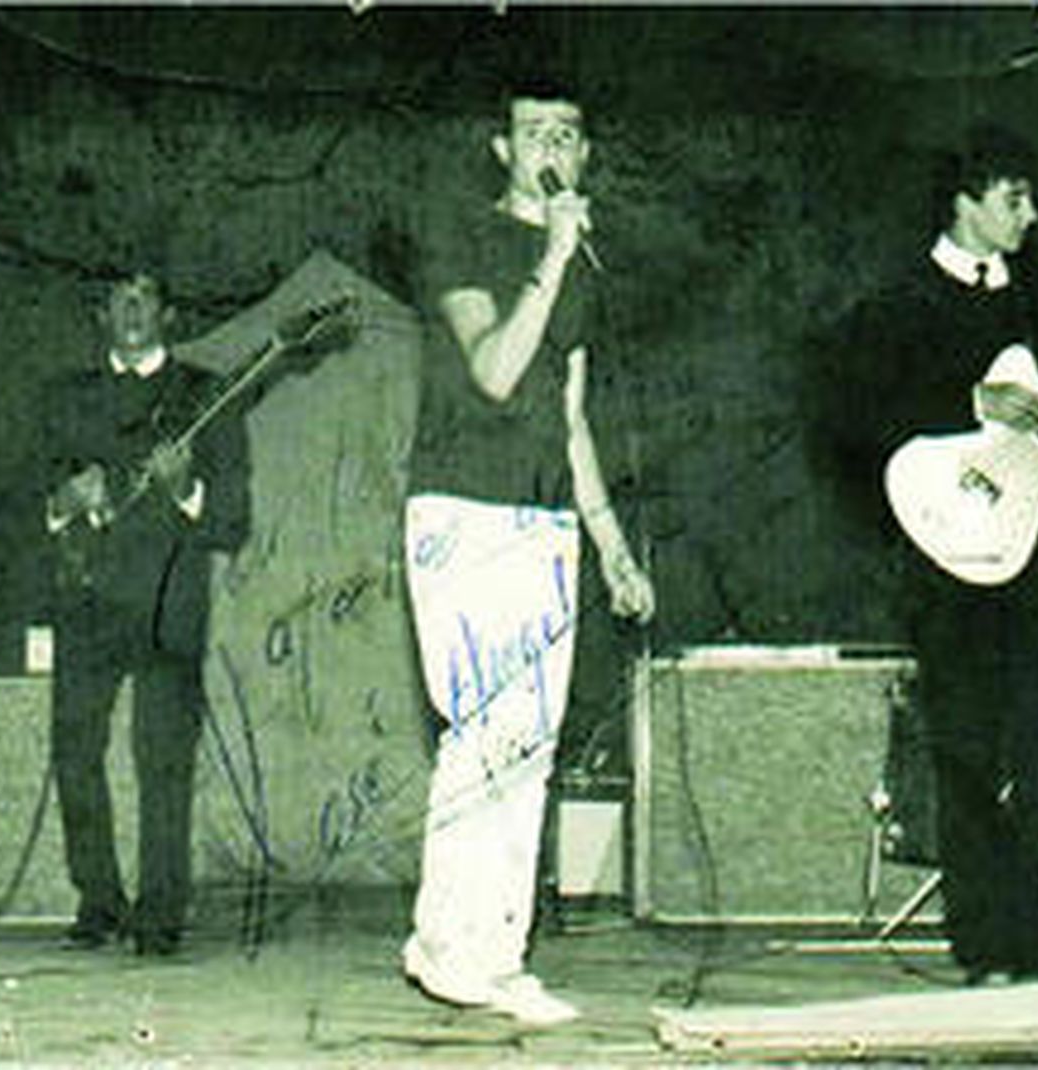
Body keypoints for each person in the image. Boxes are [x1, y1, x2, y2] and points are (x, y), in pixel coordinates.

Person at [816, 125, 1038, 985]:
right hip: (947, 555)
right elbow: (855, 412)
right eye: (1014, 198)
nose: (1031, 215)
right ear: (965, 202)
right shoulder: (898, 305)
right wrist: (969, 397)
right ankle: (984, 942)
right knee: (964, 747)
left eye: (1031, 198)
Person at [400, 79, 655, 1026]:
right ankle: (445, 946)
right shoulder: (463, 236)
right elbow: (498, 372)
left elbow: (570, 417)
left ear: (585, 154)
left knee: (530, 750)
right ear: (502, 150)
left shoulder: (577, 266)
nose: (553, 147)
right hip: (461, 514)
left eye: (569, 134)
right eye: (535, 132)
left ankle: (497, 955)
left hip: (547, 523)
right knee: (481, 736)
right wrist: (550, 253)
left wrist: (613, 549)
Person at [41, 274, 250, 956]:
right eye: (119, 299)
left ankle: (160, 915)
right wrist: (66, 501)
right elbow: (27, 501)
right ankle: (99, 900)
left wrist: (187, 487)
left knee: (163, 761)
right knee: (75, 752)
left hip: (169, 599)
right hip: (87, 597)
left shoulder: (207, 394)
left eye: (146, 298)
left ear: (169, 313)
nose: (133, 310)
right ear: (101, 315)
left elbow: (232, 520)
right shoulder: (64, 397)